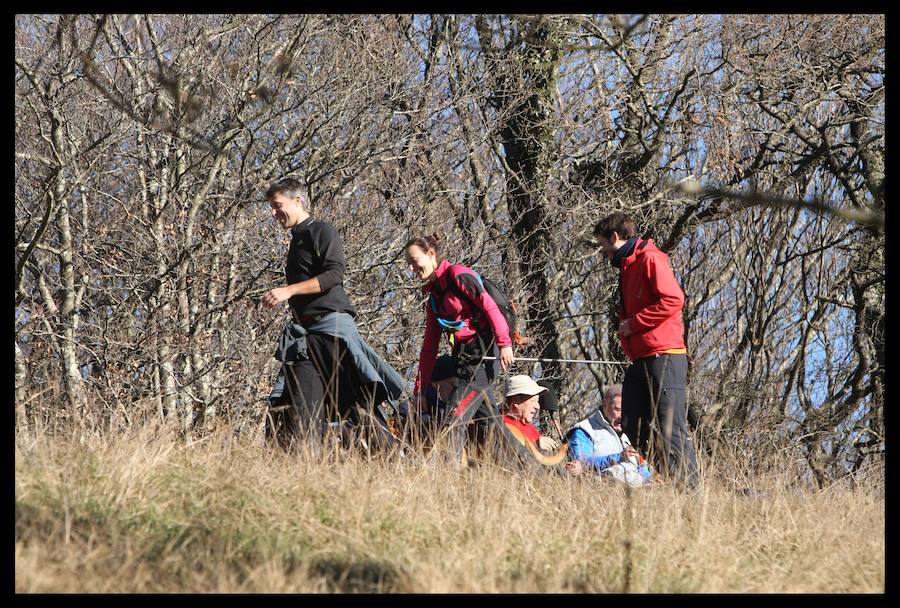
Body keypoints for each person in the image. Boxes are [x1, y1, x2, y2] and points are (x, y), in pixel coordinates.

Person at [262, 177, 404, 450]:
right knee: (297, 408)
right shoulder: (297, 240)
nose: (273, 213)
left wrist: (288, 290)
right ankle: (307, 470)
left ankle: (395, 461)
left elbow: (333, 274)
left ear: (297, 200)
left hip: (332, 333)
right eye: (271, 207)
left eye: (277, 205)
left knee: (357, 408)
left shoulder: (321, 231)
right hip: (307, 337)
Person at [593, 211, 700, 486]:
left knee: (670, 427)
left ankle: (689, 488)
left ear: (615, 237)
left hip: (665, 355)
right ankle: (672, 477)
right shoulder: (627, 267)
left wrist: (634, 324)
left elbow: (674, 300)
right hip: (641, 358)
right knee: (631, 424)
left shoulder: (650, 259)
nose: (602, 252)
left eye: (603, 244)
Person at [404, 233, 515, 464]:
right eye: (409, 264)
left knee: (453, 420)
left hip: (485, 355)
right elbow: (429, 348)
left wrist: (504, 343)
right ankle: (538, 473)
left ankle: (447, 483)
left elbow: (490, 307)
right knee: (491, 427)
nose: (412, 269)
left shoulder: (458, 275)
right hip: (464, 361)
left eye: (414, 261)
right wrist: (420, 391)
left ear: (431, 254)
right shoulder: (434, 298)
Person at [564, 384, 652, 486]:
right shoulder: (585, 430)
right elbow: (581, 462)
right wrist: (617, 458)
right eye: (618, 410)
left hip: (635, 494)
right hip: (600, 491)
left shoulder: (628, 435)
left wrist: (647, 477)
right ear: (605, 404)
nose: (622, 416)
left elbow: (642, 467)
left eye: (626, 411)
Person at [502, 375, 561, 453]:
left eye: (537, 401)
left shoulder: (526, 425)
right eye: (533, 401)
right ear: (516, 400)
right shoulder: (499, 424)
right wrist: (534, 445)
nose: (537, 406)